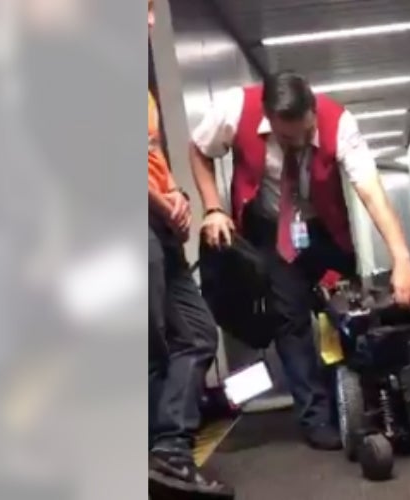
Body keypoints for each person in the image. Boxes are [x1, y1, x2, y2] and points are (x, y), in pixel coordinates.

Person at [189, 71, 410, 450]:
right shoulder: (236, 107)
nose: (298, 144)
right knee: (291, 322)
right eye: (286, 138)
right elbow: (198, 149)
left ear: (313, 110)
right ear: (268, 117)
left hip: (325, 229)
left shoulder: (340, 123)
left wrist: (402, 258)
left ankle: (366, 403)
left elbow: (370, 190)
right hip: (269, 231)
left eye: (305, 133)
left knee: (348, 315)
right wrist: (213, 208)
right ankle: (315, 418)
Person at [147, 1, 233, 497]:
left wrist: (177, 195)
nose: (153, 20)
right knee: (151, 346)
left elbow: (147, 155)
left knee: (198, 333)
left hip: (158, 222)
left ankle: (170, 453)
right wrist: (163, 204)